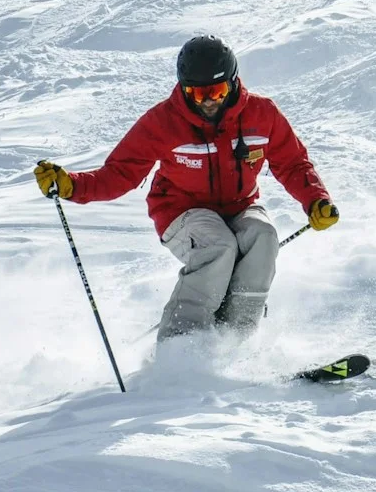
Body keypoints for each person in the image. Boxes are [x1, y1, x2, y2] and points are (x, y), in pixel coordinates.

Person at [34, 35, 339, 341]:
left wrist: (316, 200)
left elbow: (294, 164)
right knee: (219, 247)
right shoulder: (163, 122)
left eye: (217, 91)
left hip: (240, 206)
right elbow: (119, 173)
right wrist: (70, 186)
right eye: (196, 92)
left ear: (233, 84)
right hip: (181, 212)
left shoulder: (262, 115)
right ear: (183, 88)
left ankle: (236, 337)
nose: (207, 101)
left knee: (264, 238)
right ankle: (180, 343)